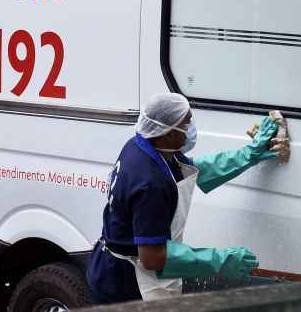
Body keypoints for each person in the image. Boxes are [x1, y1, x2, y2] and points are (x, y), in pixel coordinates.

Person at [87, 92, 288, 303]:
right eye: (186, 123)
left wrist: (249, 154)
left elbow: (190, 171)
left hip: (113, 267)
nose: (191, 129)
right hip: (126, 284)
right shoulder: (150, 184)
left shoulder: (143, 145)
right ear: (166, 131)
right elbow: (152, 257)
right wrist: (219, 261)